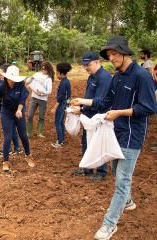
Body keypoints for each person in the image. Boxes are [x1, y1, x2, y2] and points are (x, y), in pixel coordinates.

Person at [70, 36, 157, 240]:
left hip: (132, 136)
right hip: (116, 132)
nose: (112, 58)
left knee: (122, 180)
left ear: (125, 53)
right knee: (116, 171)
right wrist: (82, 107)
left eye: (114, 54)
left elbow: (149, 107)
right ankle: (128, 202)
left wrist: (120, 113)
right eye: (109, 55)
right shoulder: (117, 77)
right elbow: (105, 101)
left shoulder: (141, 76)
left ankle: (109, 224)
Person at [0, 65, 36, 172]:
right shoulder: (2, 85)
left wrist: (19, 110)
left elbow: (22, 101)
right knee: (7, 137)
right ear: (6, 78)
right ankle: (6, 161)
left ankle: (28, 155)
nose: (12, 81)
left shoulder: (20, 85)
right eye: (10, 79)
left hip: (19, 112)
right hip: (6, 113)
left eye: (13, 80)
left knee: (23, 135)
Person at [70, 51, 113, 181]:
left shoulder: (104, 78)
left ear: (97, 62)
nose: (85, 67)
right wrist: (81, 109)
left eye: (87, 64)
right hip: (88, 116)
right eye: (84, 65)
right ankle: (86, 168)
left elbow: (101, 102)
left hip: (98, 117)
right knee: (86, 142)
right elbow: (90, 98)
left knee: (98, 143)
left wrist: (81, 103)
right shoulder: (92, 76)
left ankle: (101, 171)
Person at [25, 61, 54, 138]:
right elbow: (28, 82)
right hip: (34, 98)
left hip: (43, 100)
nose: (43, 71)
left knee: (41, 116)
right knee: (30, 115)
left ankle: (39, 132)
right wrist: (30, 78)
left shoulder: (49, 79)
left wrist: (41, 93)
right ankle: (28, 132)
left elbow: (49, 91)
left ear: (48, 69)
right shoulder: (36, 74)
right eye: (42, 69)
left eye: (45, 69)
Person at [51, 63, 72, 148]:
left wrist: (54, 108)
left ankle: (59, 142)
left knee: (57, 123)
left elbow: (60, 97)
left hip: (61, 104)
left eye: (57, 73)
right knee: (61, 122)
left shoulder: (63, 83)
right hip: (65, 103)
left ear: (61, 73)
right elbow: (69, 94)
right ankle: (62, 140)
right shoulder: (67, 81)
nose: (56, 75)